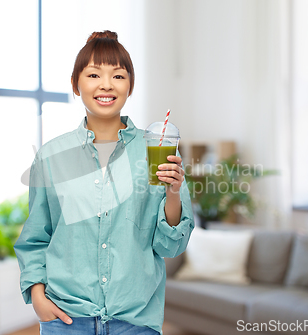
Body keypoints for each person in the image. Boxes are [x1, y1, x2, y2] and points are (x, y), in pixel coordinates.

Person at [14, 30, 194, 335]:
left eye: (118, 76)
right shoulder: (52, 156)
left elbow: (169, 246)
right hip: (66, 319)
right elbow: (35, 237)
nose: (106, 85)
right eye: (94, 74)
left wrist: (173, 192)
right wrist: (37, 296)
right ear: (76, 84)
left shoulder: (156, 149)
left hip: (136, 322)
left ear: (129, 86)